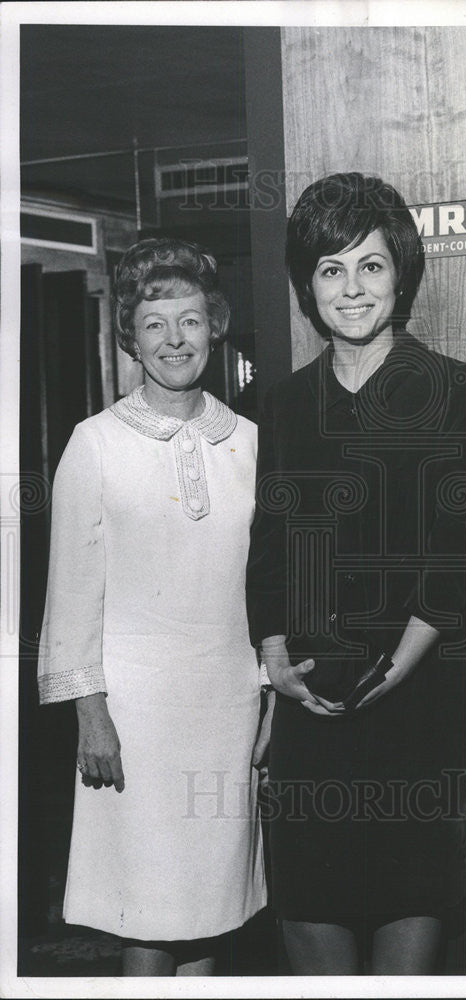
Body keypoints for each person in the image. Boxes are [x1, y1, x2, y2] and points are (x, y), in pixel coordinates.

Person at [246, 172, 466, 974]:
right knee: (311, 920)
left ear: (402, 274)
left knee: (411, 934)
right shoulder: (281, 407)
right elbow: (266, 550)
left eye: (370, 265)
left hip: (418, 715)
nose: (351, 289)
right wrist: (276, 659)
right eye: (330, 269)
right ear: (306, 286)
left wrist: (393, 673)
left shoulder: (454, 390)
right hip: (309, 719)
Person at [37, 238, 267, 976]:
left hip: (228, 707)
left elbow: (268, 593)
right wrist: (89, 713)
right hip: (135, 721)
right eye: (156, 325)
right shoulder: (95, 444)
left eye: (191, 321)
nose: (175, 340)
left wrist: (272, 702)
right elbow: (71, 595)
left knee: (211, 913)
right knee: (150, 915)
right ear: (128, 338)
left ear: (216, 326)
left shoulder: (254, 444)